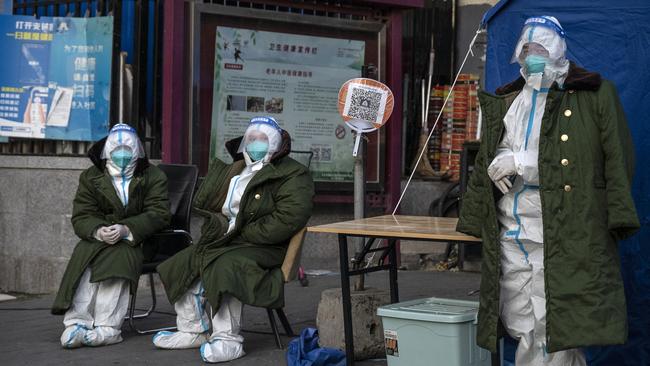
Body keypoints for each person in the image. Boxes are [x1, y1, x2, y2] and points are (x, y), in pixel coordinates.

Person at [457, 16, 639, 366]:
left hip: (560, 228)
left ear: (558, 50)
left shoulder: (594, 95)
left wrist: (522, 162)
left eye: (540, 48)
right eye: (526, 49)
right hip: (510, 227)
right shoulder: (511, 99)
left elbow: (598, 161)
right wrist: (497, 162)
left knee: (552, 319)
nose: (532, 56)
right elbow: (498, 146)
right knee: (518, 315)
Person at [153, 116, 314, 363]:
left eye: (261, 139)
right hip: (226, 241)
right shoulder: (237, 168)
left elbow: (289, 218)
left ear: (274, 143)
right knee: (185, 260)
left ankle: (228, 339)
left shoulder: (294, 174)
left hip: (264, 246)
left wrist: (239, 232)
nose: (254, 144)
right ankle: (193, 329)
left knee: (225, 267)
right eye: (250, 139)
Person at [51, 123, 171, 348]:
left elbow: (159, 213)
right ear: (107, 151)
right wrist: (98, 230)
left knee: (119, 259)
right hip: (101, 238)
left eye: (128, 147)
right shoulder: (91, 176)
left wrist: (127, 229)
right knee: (85, 259)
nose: (123, 153)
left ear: (137, 150)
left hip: (141, 240)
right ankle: (77, 323)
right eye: (117, 148)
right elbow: (83, 215)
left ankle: (108, 327)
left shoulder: (153, 175)